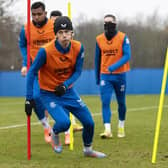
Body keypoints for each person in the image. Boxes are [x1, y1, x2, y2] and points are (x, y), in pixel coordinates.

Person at [25, 16, 106, 158]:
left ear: (72, 33)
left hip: (68, 92)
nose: (64, 35)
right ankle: (54, 133)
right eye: (61, 32)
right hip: (49, 93)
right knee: (64, 123)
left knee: (89, 122)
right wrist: (28, 98)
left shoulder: (78, 47)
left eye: (67, 32)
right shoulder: (45, 51)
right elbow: (32, 72)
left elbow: (78, 71)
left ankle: (88, 150)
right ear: (55, 34)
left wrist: (66, 85)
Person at [19, 1, 55, 143]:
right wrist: (25, 62)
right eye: (33, 15)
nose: (36, 17)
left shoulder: (53, 26)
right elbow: (23, 45)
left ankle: (66, 129)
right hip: (34, 68)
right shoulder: (26, 28)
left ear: (45, 13)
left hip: (51, 68)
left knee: (58, 97)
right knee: (34, 97)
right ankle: (46, 127)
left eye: (39, 14)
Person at [94, 14, 131, 139]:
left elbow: (127, 56)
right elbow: (97, 59)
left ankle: (121, 126)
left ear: (115, 23)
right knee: (105, 102)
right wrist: (97, 77)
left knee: (121, 102)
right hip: (105, 76)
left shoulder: (123, 37)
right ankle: (107, 129)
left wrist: (114, 67)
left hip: (120, 75)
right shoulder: (99, 39)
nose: (107, 25)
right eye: (105, 23)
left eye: (110, 22)